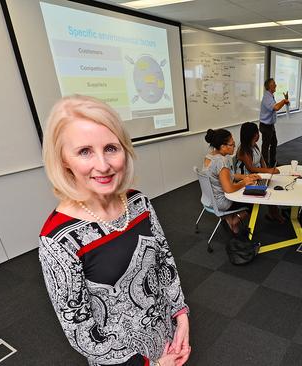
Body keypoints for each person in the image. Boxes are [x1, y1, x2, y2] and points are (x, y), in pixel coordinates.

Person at [38, 95, 190, 366]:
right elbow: (82, 334)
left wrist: (181, 318)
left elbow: (165, 264)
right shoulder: (58, 240)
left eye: (111, 148)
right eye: (85, 151)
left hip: (165, 339)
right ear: (63, 160)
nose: (104, 164)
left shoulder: (138, 202)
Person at [203, 128, 260, 233]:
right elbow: (228, 189)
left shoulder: (210, 156)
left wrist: (244, 177)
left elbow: (226, 175)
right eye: (232, 145)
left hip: (210, 198)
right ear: (222, 146)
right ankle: (234, 221)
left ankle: (230, 220)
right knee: (254, 201)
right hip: (222, 202)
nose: (234, 147)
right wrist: (244, 182)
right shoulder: (221, 161)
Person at [236, 122, 286, 223]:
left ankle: (273, 212)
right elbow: (251, 169)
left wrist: (267, 173)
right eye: (257, 133)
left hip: (257, 176)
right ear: (252, 135)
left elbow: (262, 160)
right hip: (246, 178)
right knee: (268, 189)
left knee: (271, 184)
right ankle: (274, 212)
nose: (258, 135)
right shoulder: (243, 150)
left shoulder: (254, 145)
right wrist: (268, 171)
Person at [259, 78, 290, 167]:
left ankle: (272, 163)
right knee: (266, 146)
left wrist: (284, 101)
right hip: (265, 126)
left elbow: (275, 107)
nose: (276, 85)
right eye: (274, 84)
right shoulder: (267, 97)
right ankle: (265, 165)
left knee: (273, 143)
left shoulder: (270, 96)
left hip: (270, 125)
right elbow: (275, 107)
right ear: (269, 86)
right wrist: (284, 101)